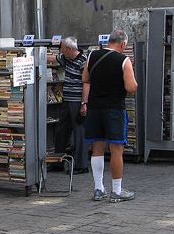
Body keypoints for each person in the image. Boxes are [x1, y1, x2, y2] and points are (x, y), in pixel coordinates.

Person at [80, 30, 138, 202]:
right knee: (116, 150)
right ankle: (117, 191)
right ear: (122, 44)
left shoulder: (92, 56)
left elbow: (85, 78)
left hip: (95, 108)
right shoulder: (124, 60)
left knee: (97, 149)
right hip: (114, 109)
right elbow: (131, 87)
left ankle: (99, 189)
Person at [48, 37, 89, 173]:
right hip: (67, 100)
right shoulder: (67, 58)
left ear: (69, 49)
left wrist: (84, 103)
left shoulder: (83, 61)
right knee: (61, 131)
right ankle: (57, 163)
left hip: (77, 101)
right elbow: (53, 58)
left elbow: (87, 83)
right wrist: (35, 54)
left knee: (79, 133)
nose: (61, 51)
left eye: (63, 48)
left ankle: (82, 166)